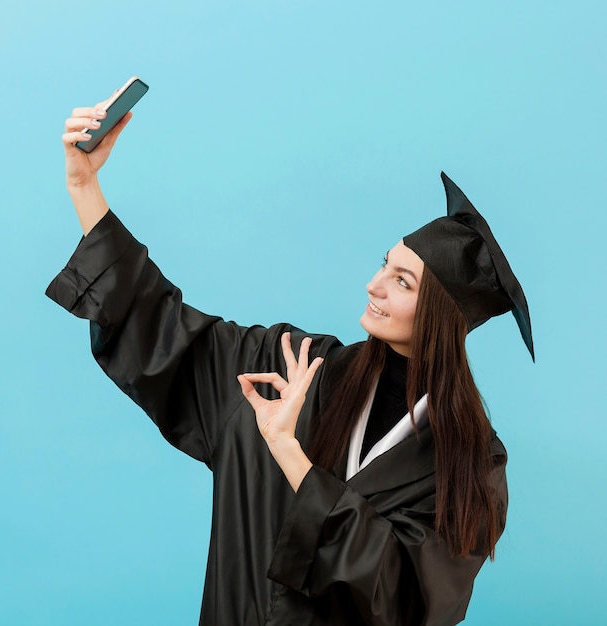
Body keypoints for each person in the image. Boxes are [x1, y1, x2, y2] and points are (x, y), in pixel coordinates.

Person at [47, 100, 533, 626]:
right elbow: (168, 332)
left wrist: (290, 456)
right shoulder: (297, 367)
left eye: (403, 282)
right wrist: (84, 187)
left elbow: (404, 603)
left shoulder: (470, 465)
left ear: (442, 317)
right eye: (384, 265)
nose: (374, 286)